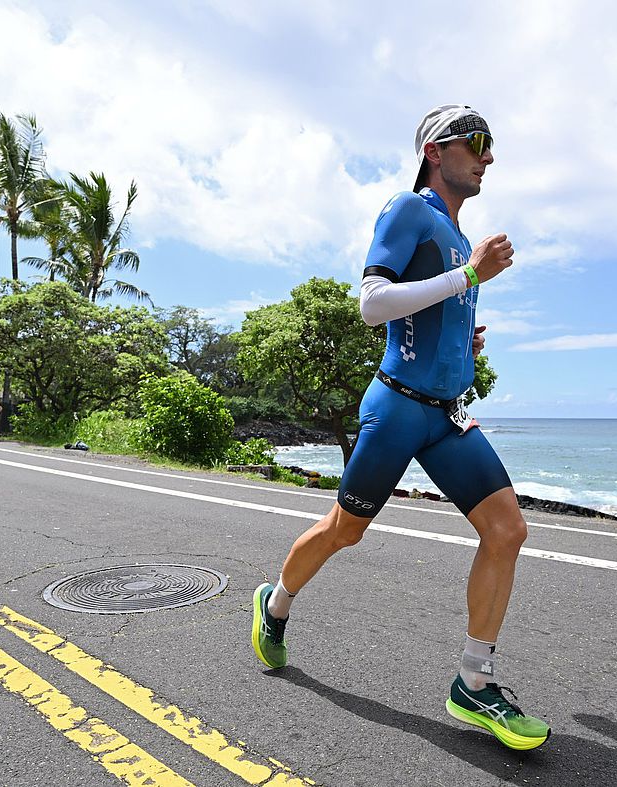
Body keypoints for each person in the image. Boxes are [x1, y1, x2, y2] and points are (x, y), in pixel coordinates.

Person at [250, 104, 550, 750]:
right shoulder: (407, 210)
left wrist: (463, 336)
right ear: (436, 152)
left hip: (446, 417)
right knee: (343, 531)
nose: (488, 156)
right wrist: (468, 277)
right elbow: (371, 303)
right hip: (395, 408)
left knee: (508, 529)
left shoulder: (461, 240)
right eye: (477, 142)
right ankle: (274, 604)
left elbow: (429, 315)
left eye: (491, 145)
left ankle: (475, 679)